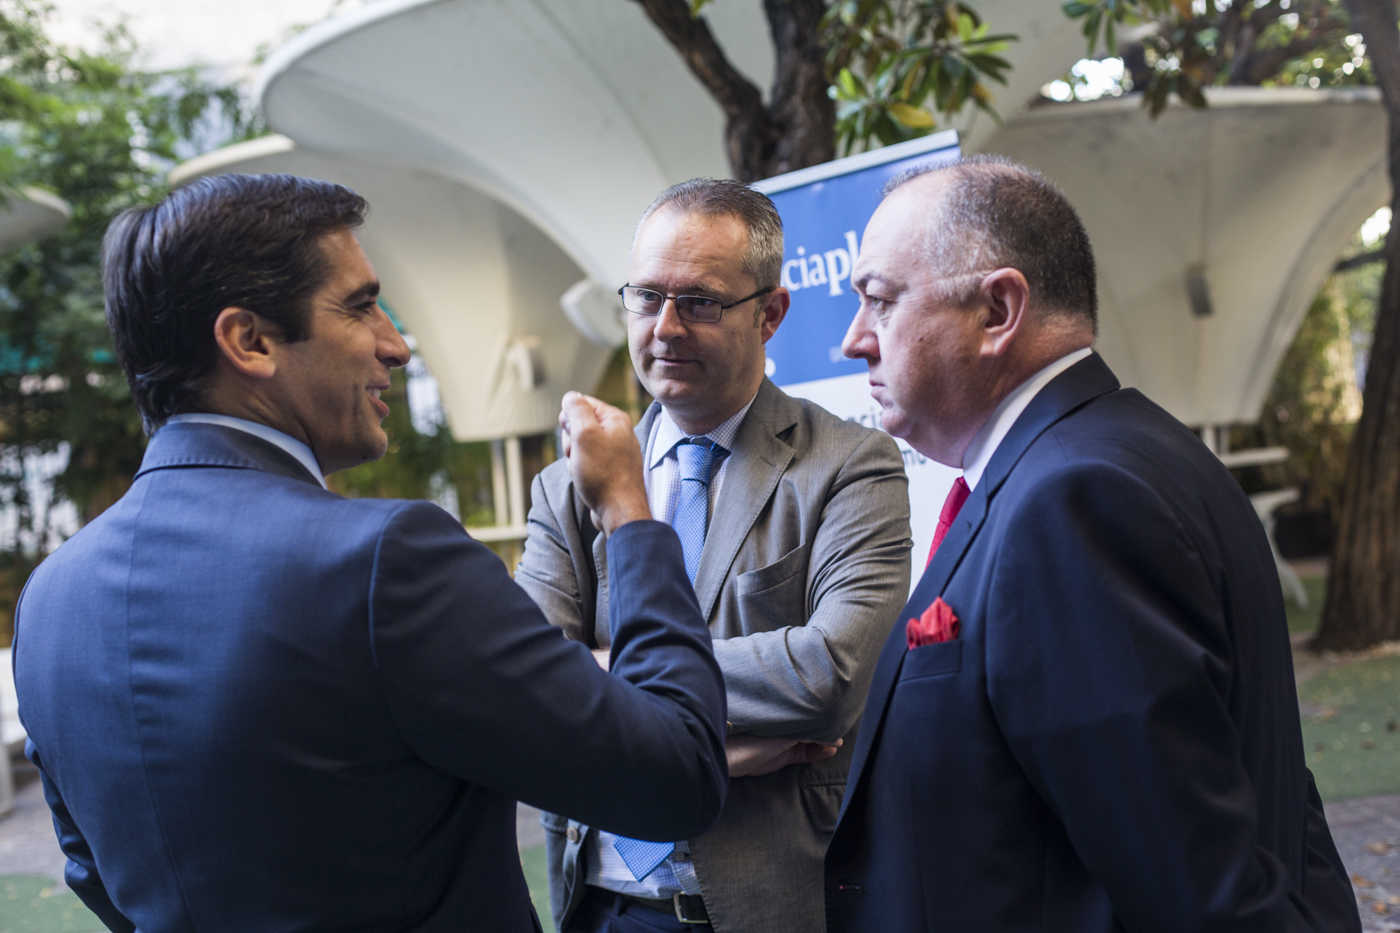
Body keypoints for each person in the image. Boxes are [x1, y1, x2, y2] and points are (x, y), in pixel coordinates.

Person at [12, 173, 729, 933]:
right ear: (249, 341)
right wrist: (628, 512)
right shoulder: (387, 560)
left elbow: (94, 874)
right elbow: (675, 775)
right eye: (360, 306)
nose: (397, 344)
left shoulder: (50, 598)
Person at [824, 156, 1361, 932]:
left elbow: (1191, 879)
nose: (853, 341)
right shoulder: (1123, 453)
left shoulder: (1071, 502)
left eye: (879, 300)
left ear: (998, 309)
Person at [516, 178, 911, 933]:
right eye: (645, 297)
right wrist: (724, 752)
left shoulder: (849, 466)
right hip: (599, 907)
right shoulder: (568, 487)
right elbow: (528, 689)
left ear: (771, 313)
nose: (665, 328)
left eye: (699, 301)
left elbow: (830, 676)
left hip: (766, 911)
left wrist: (605, 669)